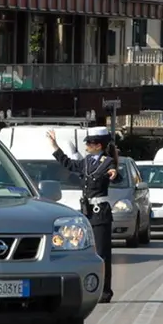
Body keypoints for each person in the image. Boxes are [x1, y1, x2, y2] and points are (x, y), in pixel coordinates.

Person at [47, 126, 120, 303]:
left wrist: (114, 174)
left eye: (90, 142)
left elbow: (116, 175)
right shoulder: (87, 161)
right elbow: (69, 164)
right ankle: (87, 287)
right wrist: (54, 146)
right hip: (86, 212)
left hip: (100, 212)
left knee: (102, 253)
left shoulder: (108, 162)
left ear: (99, 145)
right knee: (81, 250)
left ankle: (104, 291)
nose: (86, 145)